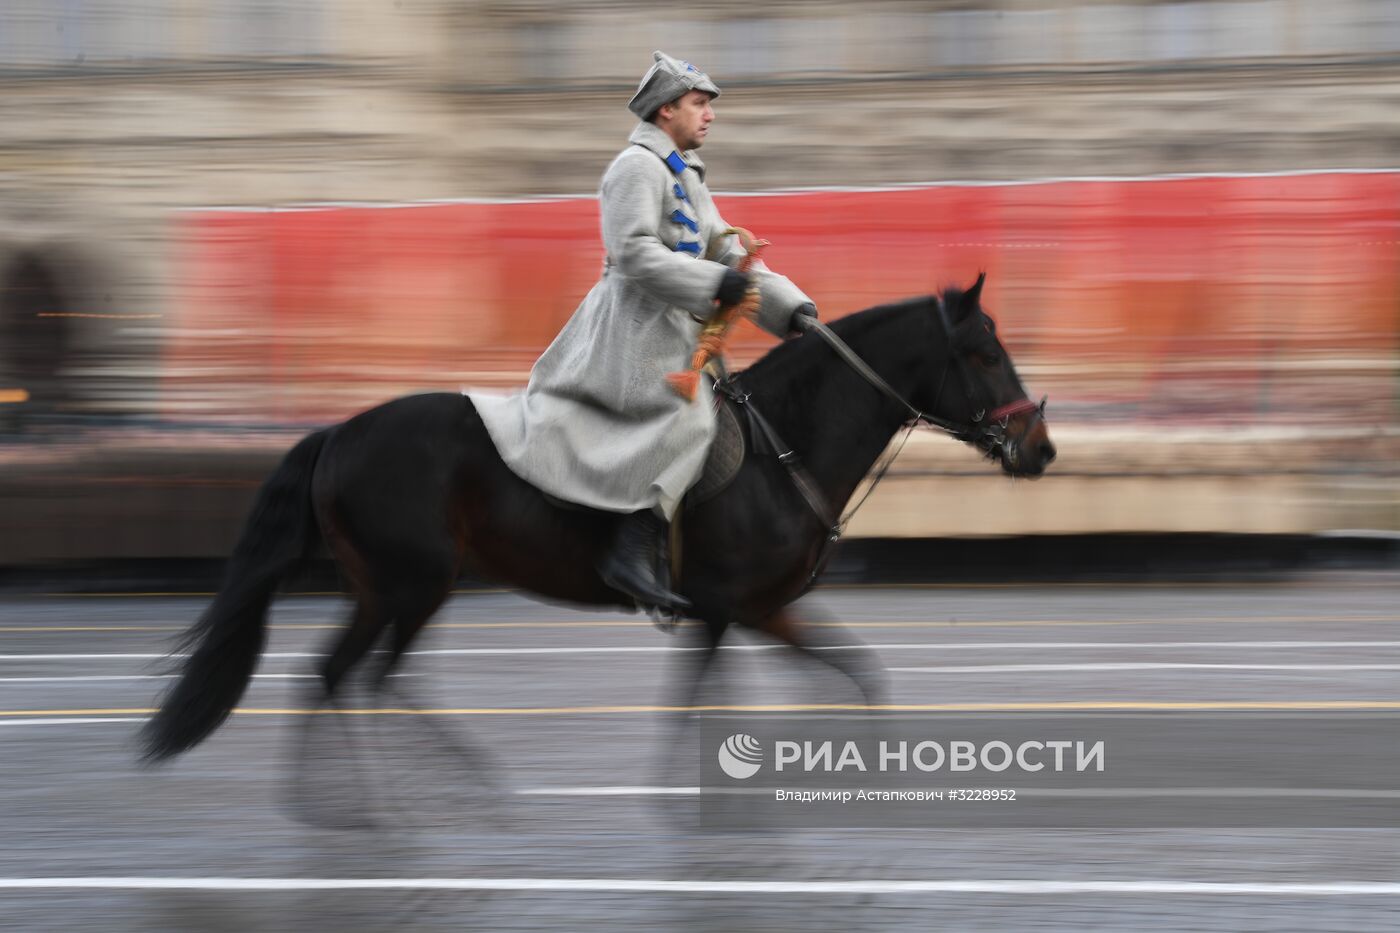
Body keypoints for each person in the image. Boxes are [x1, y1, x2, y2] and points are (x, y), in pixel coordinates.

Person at [471, 51, 817, 615]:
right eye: (699, 103)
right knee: (691, 418)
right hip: (629, 333)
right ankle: (631, 550)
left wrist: (793, 310)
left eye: (709, 105)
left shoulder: (684, 172)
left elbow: (728, 251)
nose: (709, 115)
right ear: (666, 111)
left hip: (670, 334)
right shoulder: (634, 167)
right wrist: (715, 283)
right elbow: (632, 252)